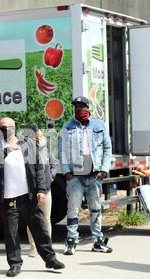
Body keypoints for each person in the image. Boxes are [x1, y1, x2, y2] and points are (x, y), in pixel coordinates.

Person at [0, 117, 65, 277]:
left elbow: (39, 168)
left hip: (29, 195)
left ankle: (50, 259)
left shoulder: (27, 144)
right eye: (1, 127)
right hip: (8, 198)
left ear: (14, 127)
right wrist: (6, 150)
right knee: (11, 234)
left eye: (7, 127)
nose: (4, 129)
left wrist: (41, 189)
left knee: (40, 229)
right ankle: (14, 263)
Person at [59, 96, 113, 255]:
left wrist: (104, 169)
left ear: (88, 108)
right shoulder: (68, 126)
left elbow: (107, 148)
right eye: (76, 107)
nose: (78, 109)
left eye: (82, 106)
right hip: (75, 175)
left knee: (95, 209)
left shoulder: (99, 124)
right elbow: (62, 150)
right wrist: (66, 171)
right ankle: (71, 241)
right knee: (73, 209)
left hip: (94, 174)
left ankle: (97, 241)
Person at [23, 124, 59, 258]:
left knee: (46, 219)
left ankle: (47, 246)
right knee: (33, 219)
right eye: (37, 137)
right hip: (32, 191)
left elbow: (54, 163)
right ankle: (33, 248)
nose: (40, 139)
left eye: (41, 136)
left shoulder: (45, 150)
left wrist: (51, 176)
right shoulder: (26, 151)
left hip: (46, 189)